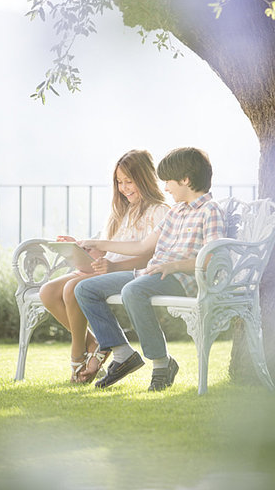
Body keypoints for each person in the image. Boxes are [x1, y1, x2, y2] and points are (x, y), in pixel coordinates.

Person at [75, 147, 226, 392]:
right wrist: (97, 244)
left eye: (169, 182)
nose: (166, 188)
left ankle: (160, 364)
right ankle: (122, 352)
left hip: (179, 278)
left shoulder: (210, 211)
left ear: (185, 180)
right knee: (85, 289)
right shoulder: (176, 212)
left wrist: (174, 265)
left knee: (133, 292)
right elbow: (142, 245)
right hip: (152, 274)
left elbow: (212, 258)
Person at [39, 150, 169, 384]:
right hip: (106, 268)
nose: (124, 187)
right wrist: (80, 248)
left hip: (129, 272)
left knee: (72, 289)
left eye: (130, 181)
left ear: (146, 178)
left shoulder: (159, 211)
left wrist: (112, 266)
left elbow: (149, 257)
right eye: (120, 182)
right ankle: (95, 342)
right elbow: (106, 251)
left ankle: (78, 352)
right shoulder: (120, 212)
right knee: (47, 292)